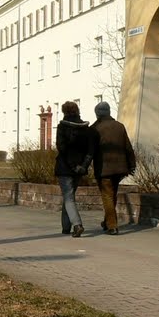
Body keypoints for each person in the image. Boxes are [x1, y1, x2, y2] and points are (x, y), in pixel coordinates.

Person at [90, 101, 135, 235]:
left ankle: (112, 226)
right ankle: (107, 221)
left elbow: (90, 150)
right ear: (109, 112)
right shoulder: (119, 126)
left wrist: (84, 166)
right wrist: (131, 164)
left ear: (97, 114)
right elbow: (128, 147)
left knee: (107, 196)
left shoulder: (94, 129)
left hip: (104, 168)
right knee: (112, 194)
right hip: (120, 168)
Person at [53, 100, 93, 238]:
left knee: (68, 197)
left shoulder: (62, 127)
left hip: (65, 167)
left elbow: (62, 148)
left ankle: (77, 224)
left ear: (64, 112)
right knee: (68, 196)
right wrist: (83, 166)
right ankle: (65, 227)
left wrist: (72, 165)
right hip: (79, 169)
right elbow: (89, 150)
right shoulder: (85, 129)